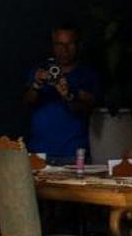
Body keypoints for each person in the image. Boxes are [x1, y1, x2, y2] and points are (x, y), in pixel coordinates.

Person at [22, 25, 101, 163]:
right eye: (59, 44)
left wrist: (68, 94)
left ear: (78, 45)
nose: (64, 50)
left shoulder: (87, 75)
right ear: (53, 46)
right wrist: (36, 85)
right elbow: (26, 102)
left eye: (70, 44)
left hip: (73, 154)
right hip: (38, 153)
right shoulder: (40, 71)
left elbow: (86, 109)